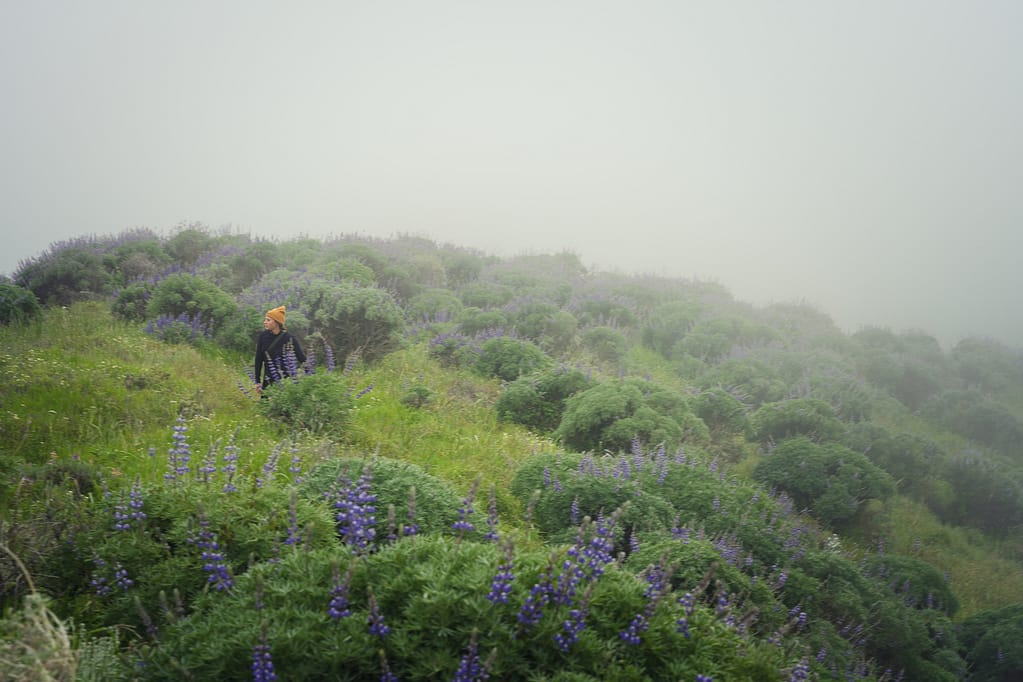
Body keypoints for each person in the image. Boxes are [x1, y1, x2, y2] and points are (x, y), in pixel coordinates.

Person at [254, 305, 306, 394]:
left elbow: (302, 359)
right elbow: (258, 359)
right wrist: (258, 382)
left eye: (268, 320)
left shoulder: (289, 338)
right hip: (268, 381)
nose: (265, 322)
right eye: (265, 320)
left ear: (277, 322)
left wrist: (309, 379)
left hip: (286, 382)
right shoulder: (263, 336)